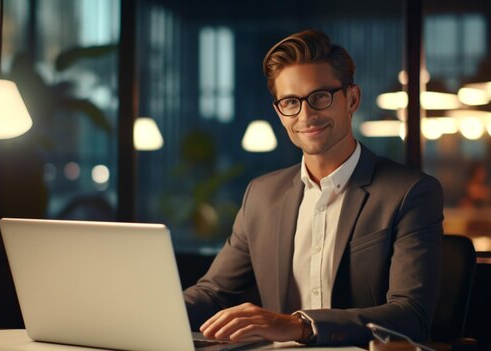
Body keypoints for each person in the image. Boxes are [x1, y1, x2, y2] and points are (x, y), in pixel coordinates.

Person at [183, 29, 443, 347]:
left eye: (320, 97)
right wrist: (145, 312)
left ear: (352, 99)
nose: (306, 115)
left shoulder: (411, 192)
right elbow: (213, 293)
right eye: (291, 102)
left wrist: (300, 326)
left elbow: (411, 315)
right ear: (279, 112)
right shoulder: (261, 195)